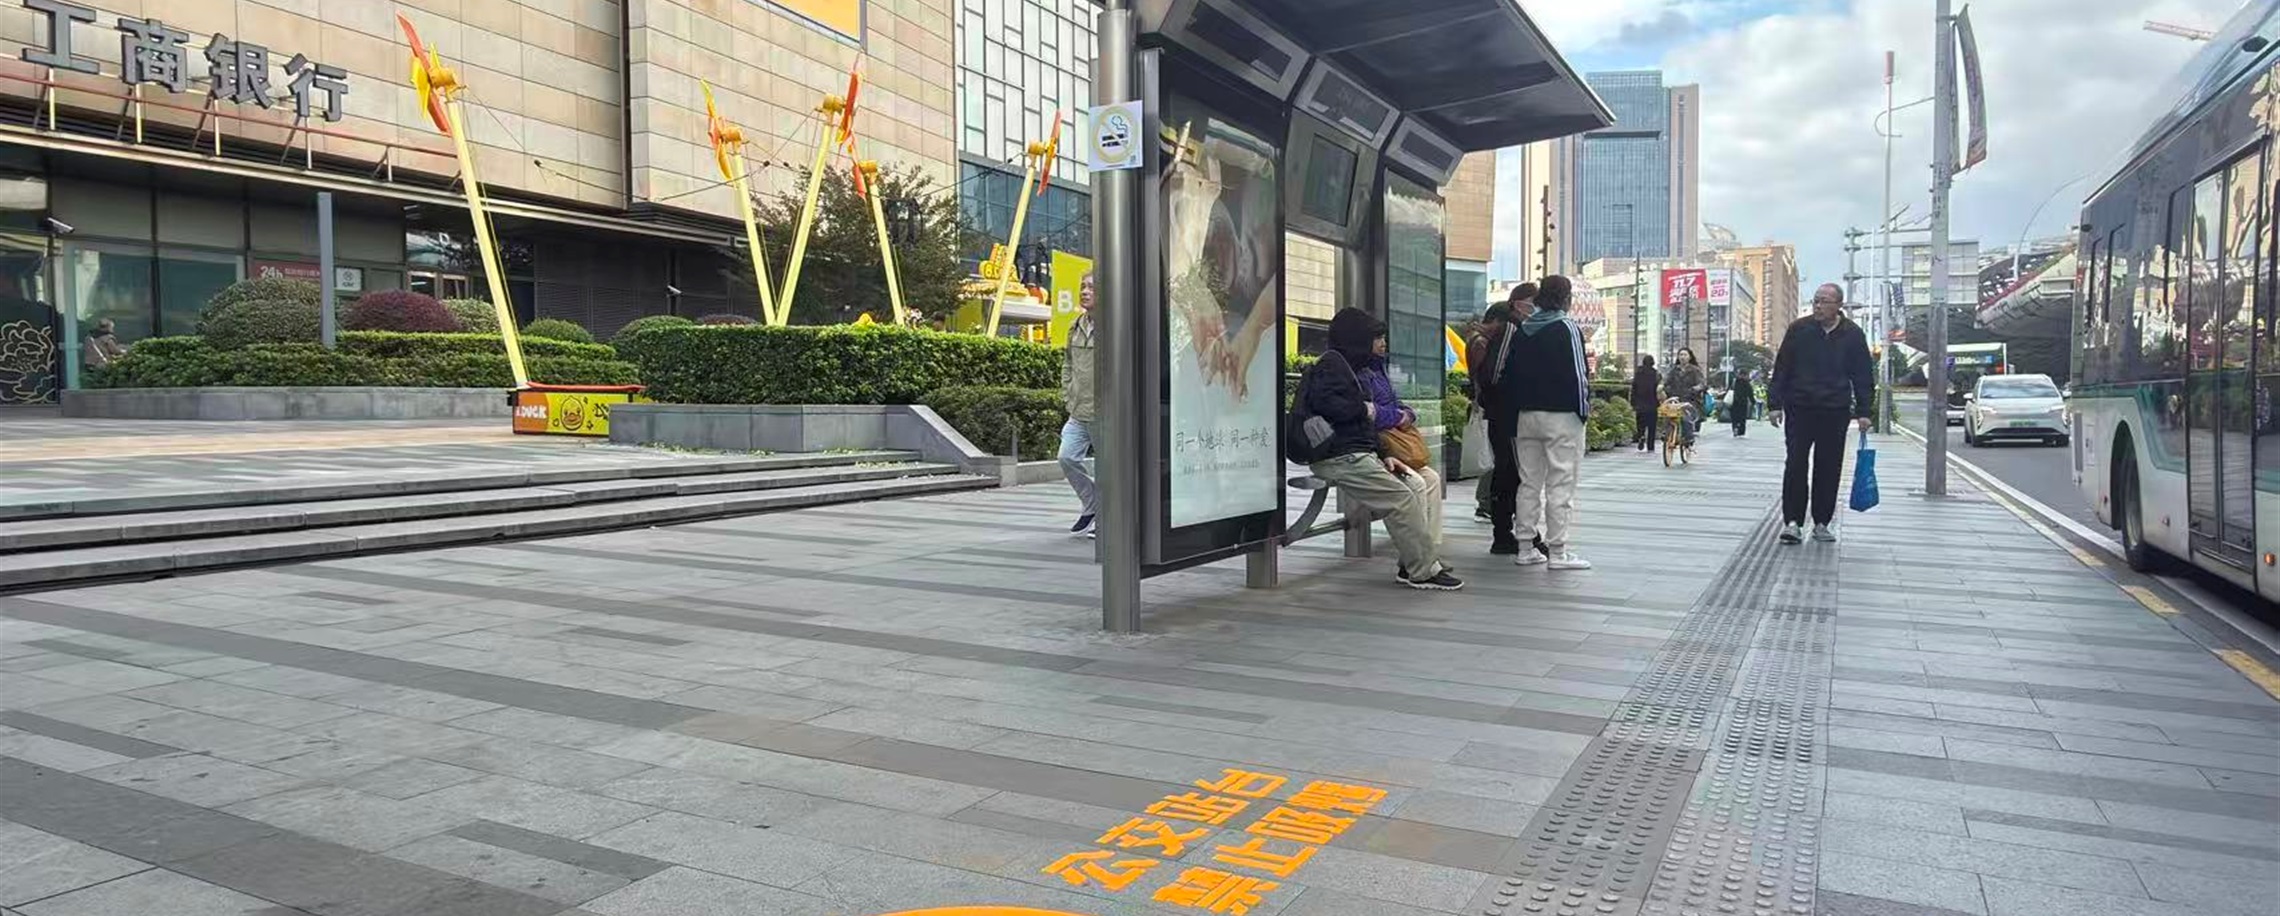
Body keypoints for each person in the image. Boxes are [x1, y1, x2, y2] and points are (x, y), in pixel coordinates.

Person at [1304, 309, 1461, 590]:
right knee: (1402, 495)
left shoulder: (1355, 366)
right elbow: (1341, 412)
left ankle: (1415, 562)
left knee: (1414, 486)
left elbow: (1364, 423)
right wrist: (1368, 410)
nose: (1382, 343)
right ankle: (1423, 569)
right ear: (1359, 338)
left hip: (1356, 452)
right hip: (1338, 456)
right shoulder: (1332, 367)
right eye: (1377, 338)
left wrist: (1383, 452)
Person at [1486, 275, 1592, 570]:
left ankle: (1525, 547)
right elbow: (1579, 374)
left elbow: (1509, 375)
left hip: (1524, 418)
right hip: (1561, 417)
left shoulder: (1524, 330)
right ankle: (1557, 552)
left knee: (1529, 483)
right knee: (1561, 484)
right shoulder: (1567, 327)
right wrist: (1583, 412)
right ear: (1566, 298)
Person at [1770, 283, 1876, 545]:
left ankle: (1821, 522)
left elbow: (1863, 374)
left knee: (1828, 467)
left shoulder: (1852, 335)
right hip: (1800, 407)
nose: (1818, 306)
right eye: (1815, 301)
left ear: (1838, 305)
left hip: (1834, 410)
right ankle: (1792, 522)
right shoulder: (1799, 330)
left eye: (1824, 301)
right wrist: (1774, 403)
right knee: (1795, 463)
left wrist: (1864, 411)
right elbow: (1782, 367)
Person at [1355, 315, 1446, 574]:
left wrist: (1406, 413)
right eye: (1378, 338)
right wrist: (1399, 416)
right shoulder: (1360, 373)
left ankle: (1428, 552)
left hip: (1392, 444)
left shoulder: (1379, 368)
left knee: (1431, 479)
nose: (1383, 343)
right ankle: (1417, 559)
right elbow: (1368, 412)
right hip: (1377, 447)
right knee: (1416, 482)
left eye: (1384, 338)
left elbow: (1392, 404)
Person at [1467, 295, 1520, 526]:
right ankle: (1485, 502)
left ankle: (1487, 502)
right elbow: (1486, 376)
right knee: (1495, 459)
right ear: (1497, 320)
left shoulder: (1479, 339)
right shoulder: (1481, 342)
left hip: (1485, 404)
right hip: (1488, 406)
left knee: (1495, 458)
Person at [1059, 273, 1098, 537]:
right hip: (1078, 410)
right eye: (1082, 286)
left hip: (1106, 413)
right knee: (1066, 457)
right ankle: (1092, 504)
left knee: (1109, 470)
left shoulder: (1116, 325)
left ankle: (1108, 517)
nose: (1084, 291)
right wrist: (1067, 394)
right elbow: (1068, 363)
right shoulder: (1075, 326)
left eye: (1091, 288)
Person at [1665, 347, 1707, 446]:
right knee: (1667, 414)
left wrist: (1695, 389)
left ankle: (1688, 437)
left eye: (1685, 355)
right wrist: (1663, 387)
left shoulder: (1695, 370)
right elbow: (1666, 381)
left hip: (1690, 399)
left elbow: (1702, 384)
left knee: (1685, 417)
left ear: (1689, 357)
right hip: (1675, 398)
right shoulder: (1674, 370)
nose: (1682, 357)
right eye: (1681, 355)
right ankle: (1667, 434)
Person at [1629, 355, 1661, 452]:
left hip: (1640, 404)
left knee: (1640, 423)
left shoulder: (1638, 373)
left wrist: (1633, 402)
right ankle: (1650, 446)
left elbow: (1634, 388)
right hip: (1652, 403)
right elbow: (1658, 389)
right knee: (1652, 426)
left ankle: (1641, 435)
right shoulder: (1655, 374)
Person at [1729, 368, 1757, 437]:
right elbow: (1750, 393)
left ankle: (1735, 428)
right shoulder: (1747, 383)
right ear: (1745, 375)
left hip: (1734, 402)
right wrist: (1753, 402)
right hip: (1743, 403)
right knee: (1742, 418)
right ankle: (1741, 431)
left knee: (1734, 417)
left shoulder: (1734, 381)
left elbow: (1729, 390)